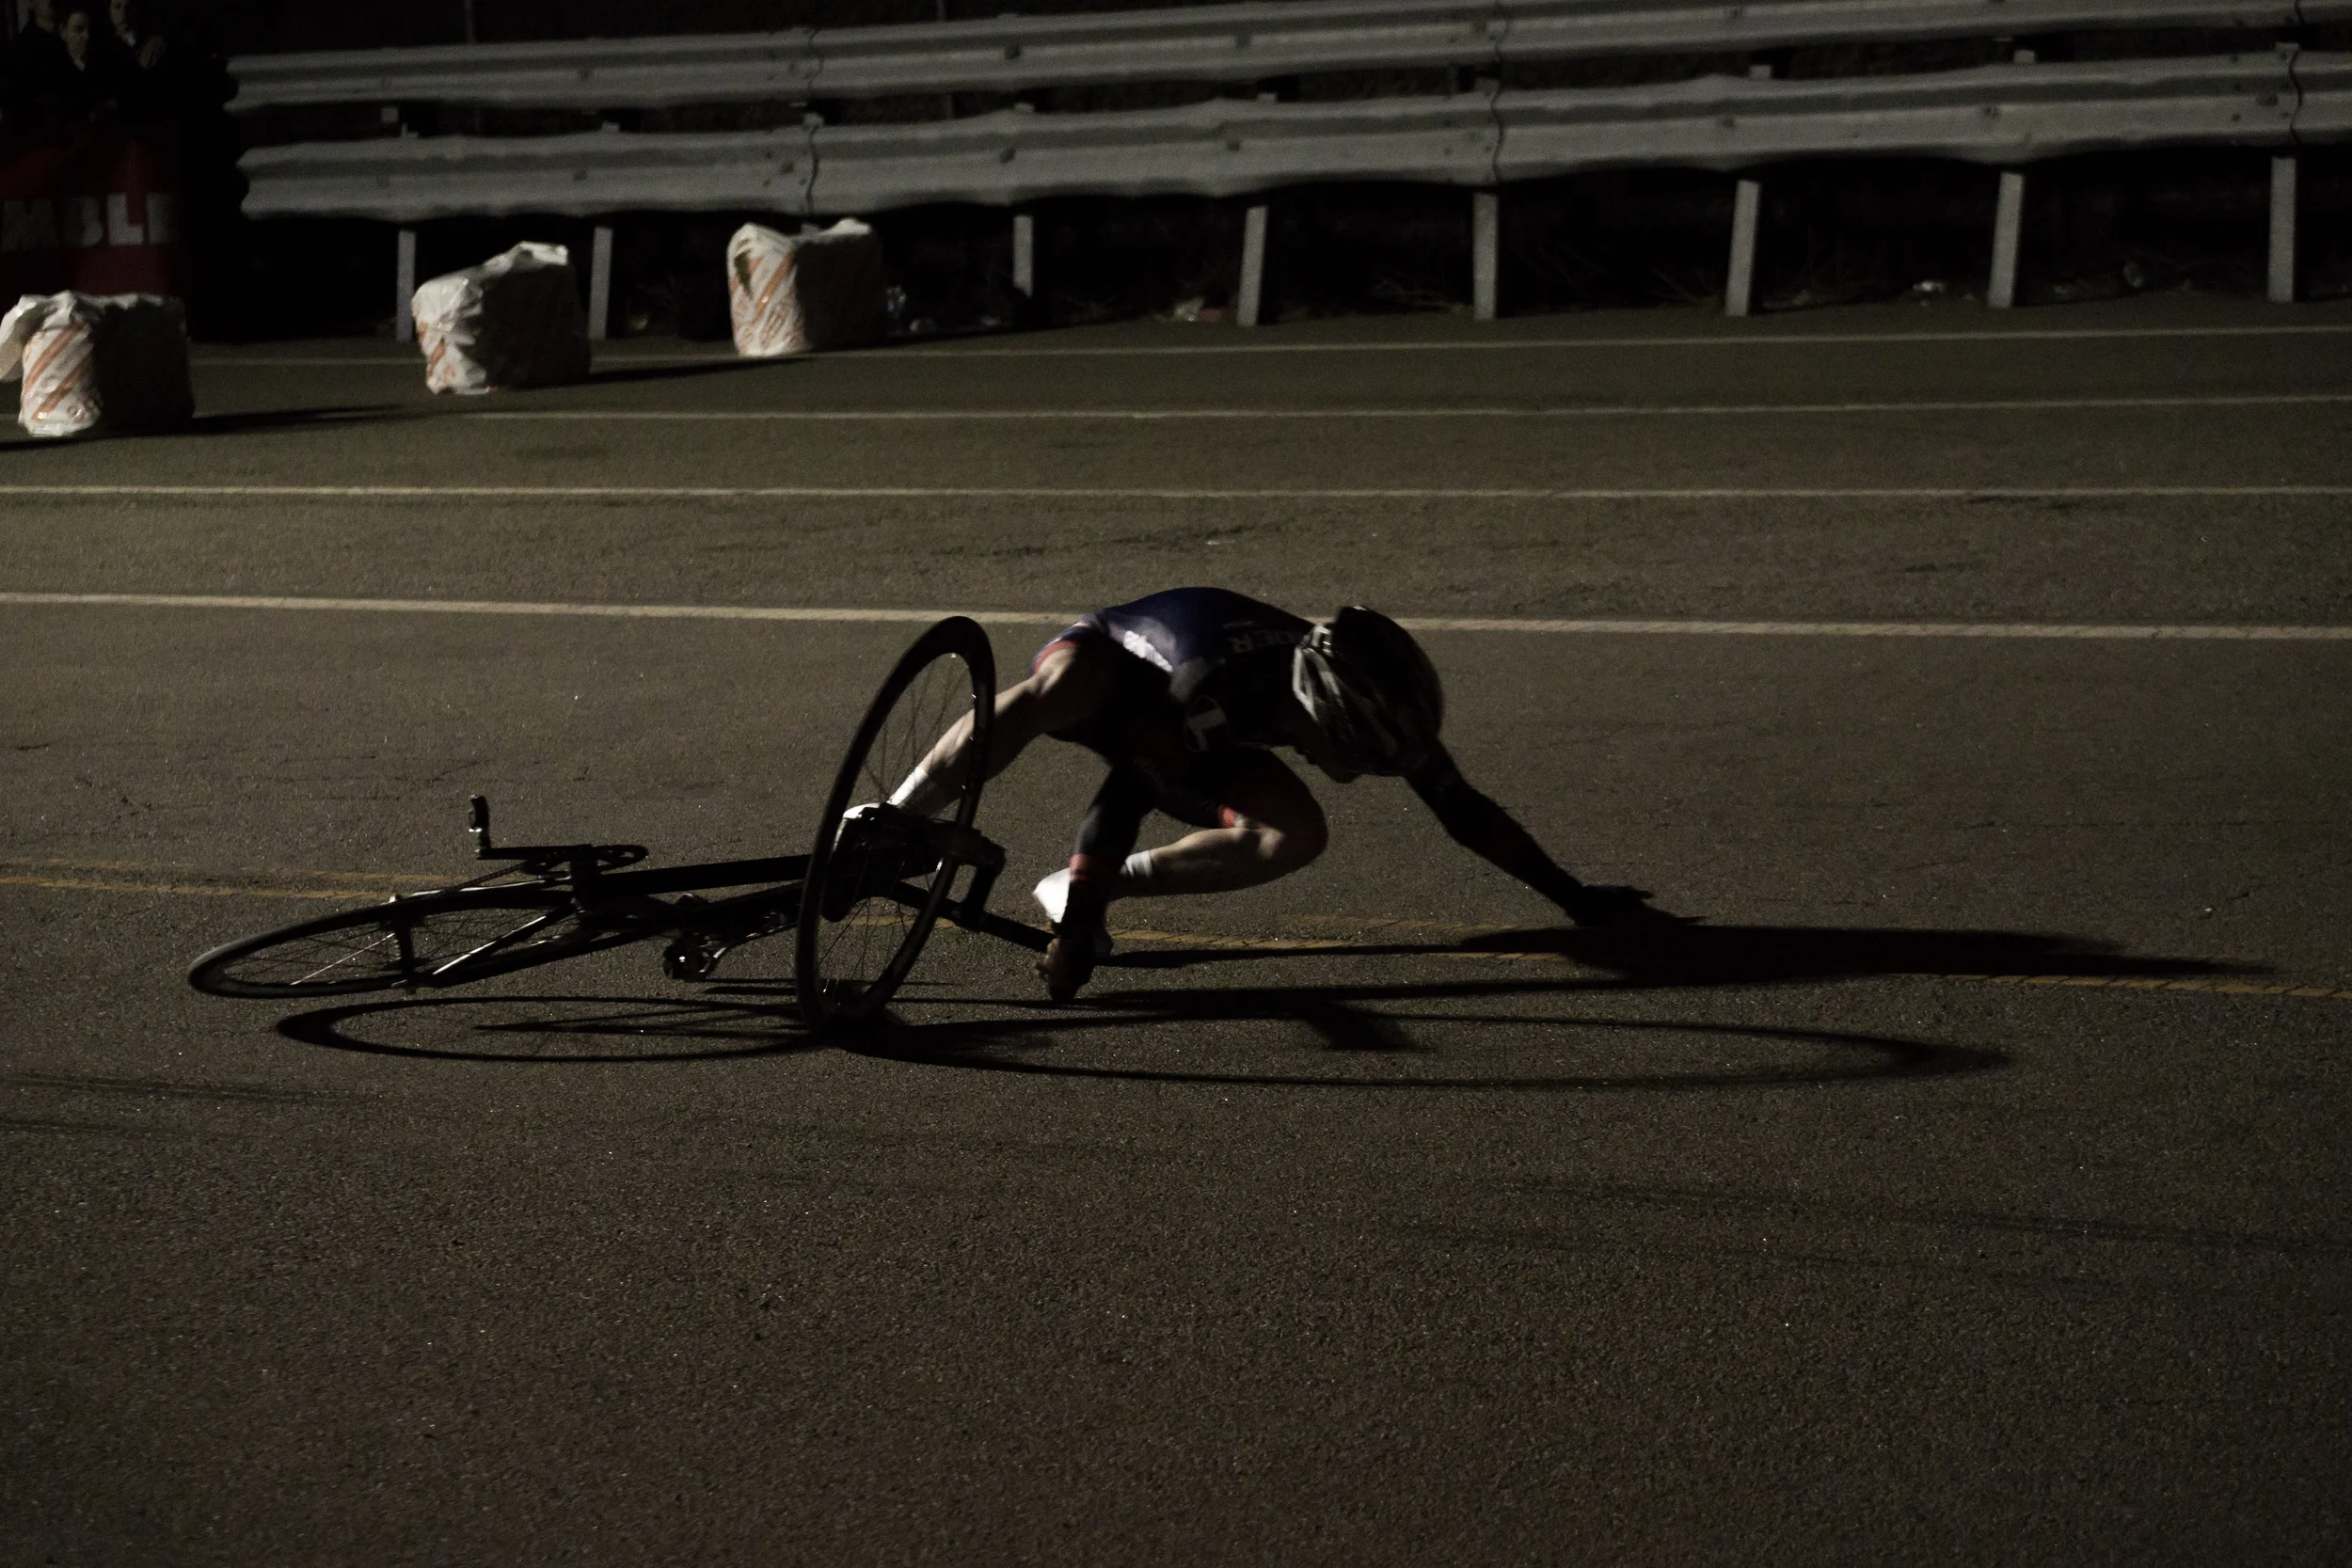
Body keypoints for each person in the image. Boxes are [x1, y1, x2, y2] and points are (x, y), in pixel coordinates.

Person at [883, 586, 1671, 1000]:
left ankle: (1079, 887)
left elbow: (1462, 811)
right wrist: (1076, 937)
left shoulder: (1362, 699)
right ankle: (895, 814)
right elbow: (1121, 798)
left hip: (1204, 728)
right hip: (1120, 672)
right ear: (1319, 717)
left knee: (1300, 830)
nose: (1359, 774)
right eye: (1354, 759)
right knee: (1058, 688)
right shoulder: (1212, 690)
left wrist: (1575, 897)